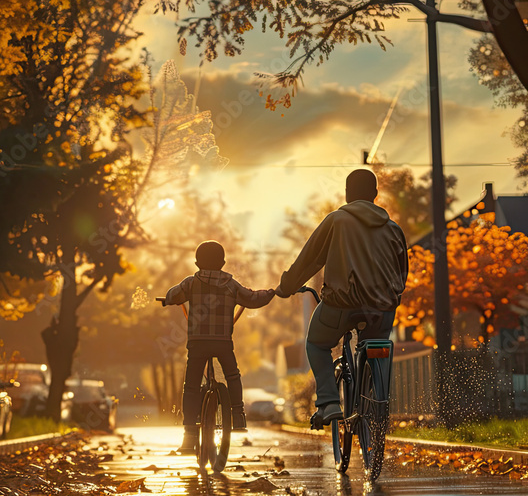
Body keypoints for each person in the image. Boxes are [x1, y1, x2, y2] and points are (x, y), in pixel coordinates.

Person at [275, 168, 408, 429]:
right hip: (381, 309)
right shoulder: (394, 229)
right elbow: (402, 271)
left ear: (347, 195)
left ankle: (329, 402)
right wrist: (390, 296)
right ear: (375, 195)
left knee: (316, 343)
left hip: (341, 305)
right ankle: (375, 402)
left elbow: (310, 258)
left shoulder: (337, 220)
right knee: (375, 349)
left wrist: (288, 286)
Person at [164, 240, 275, 453]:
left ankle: (189, 435)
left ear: (196, 263)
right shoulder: (231, 285)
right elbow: (252, 299)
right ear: (223, 263)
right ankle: (238, 416)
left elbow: (172, 296)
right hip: (223, 343)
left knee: (191, 385)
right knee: (232, 375)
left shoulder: (190, 283)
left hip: (197, 344)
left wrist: (167, 299)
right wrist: (272, 292)